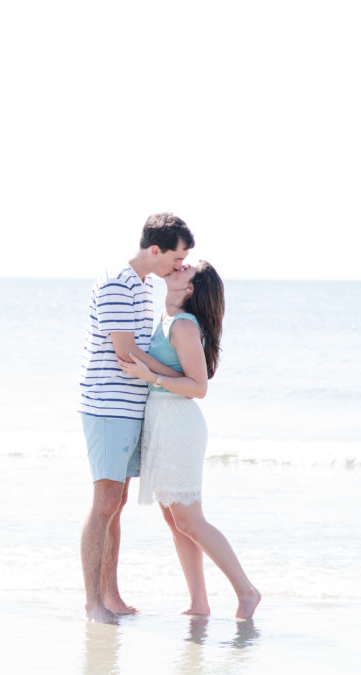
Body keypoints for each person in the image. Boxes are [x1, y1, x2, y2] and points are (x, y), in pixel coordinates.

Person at [119, 260, 261, 620]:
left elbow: (198, 387)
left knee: (190, 519)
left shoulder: (183, 325)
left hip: (178, 424)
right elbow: (173, 371)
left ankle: (246, 591)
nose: (178, 266)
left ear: (191, 289)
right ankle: (199, 603)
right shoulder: (169, 321)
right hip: (163, 422)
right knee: (175, 520)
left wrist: (150, 374)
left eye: (187, 269)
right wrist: (150, 372)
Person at [79, 213, 193, 623]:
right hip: (108, 405)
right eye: (177, 257)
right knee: (104, 501)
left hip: (131, 406)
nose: (179, 266)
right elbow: (124, 352)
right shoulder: (116, 283)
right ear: (156, 249)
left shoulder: (142, 286)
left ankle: (111, 596)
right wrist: (172, 377)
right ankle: (94, 604)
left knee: (118, 501)